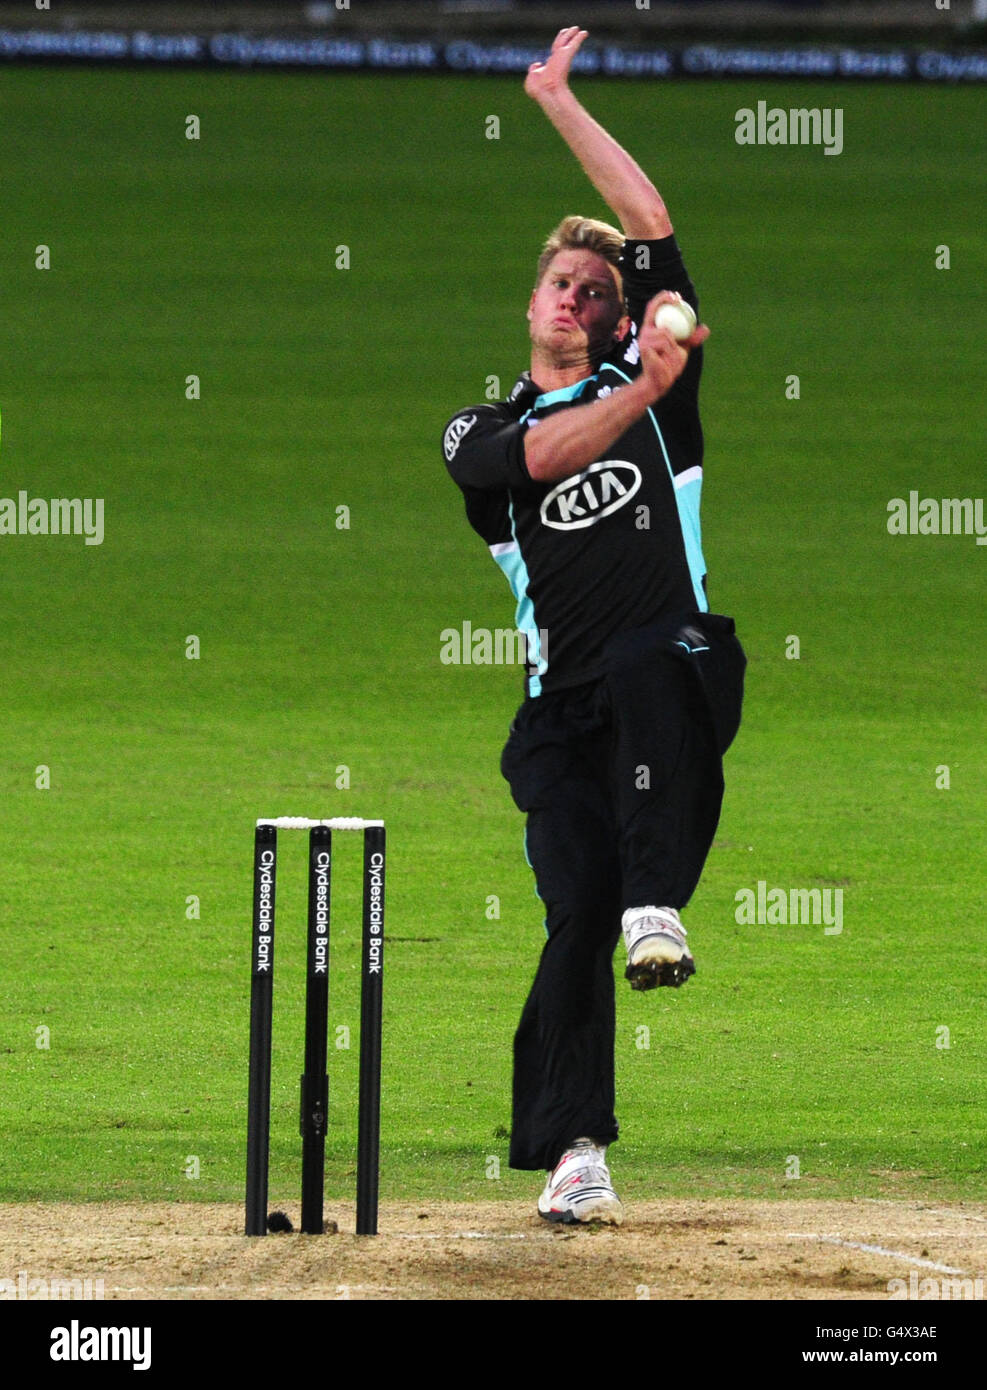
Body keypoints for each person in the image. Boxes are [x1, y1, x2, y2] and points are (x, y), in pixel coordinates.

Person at [442, 27, 746, 1226]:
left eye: (600, 293)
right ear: (531, 304)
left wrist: (557, 101)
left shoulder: (663, 405)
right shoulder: (481, 438)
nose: (578, 299)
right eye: (562, 286)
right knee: (573, 911)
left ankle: (657, 899)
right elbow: (547, 449)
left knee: (649, 653)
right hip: (560, 715)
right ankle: (574, 1150)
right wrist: (642, 385)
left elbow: (652, 220)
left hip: (677, 673)